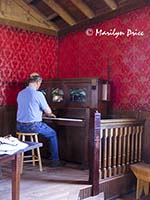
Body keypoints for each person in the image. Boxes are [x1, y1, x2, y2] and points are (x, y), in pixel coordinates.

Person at [16, 72, 63, 167]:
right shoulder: (38, 94)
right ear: (37, 82)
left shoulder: (20, 93)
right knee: (53, 134)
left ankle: (28, 156)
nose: (39, 86)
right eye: (40, 84)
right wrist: (50, 114)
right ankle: (55, 161)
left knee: (30, 136)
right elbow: (48, 111)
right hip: (33, 126)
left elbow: (28, 109)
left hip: (20, 126)